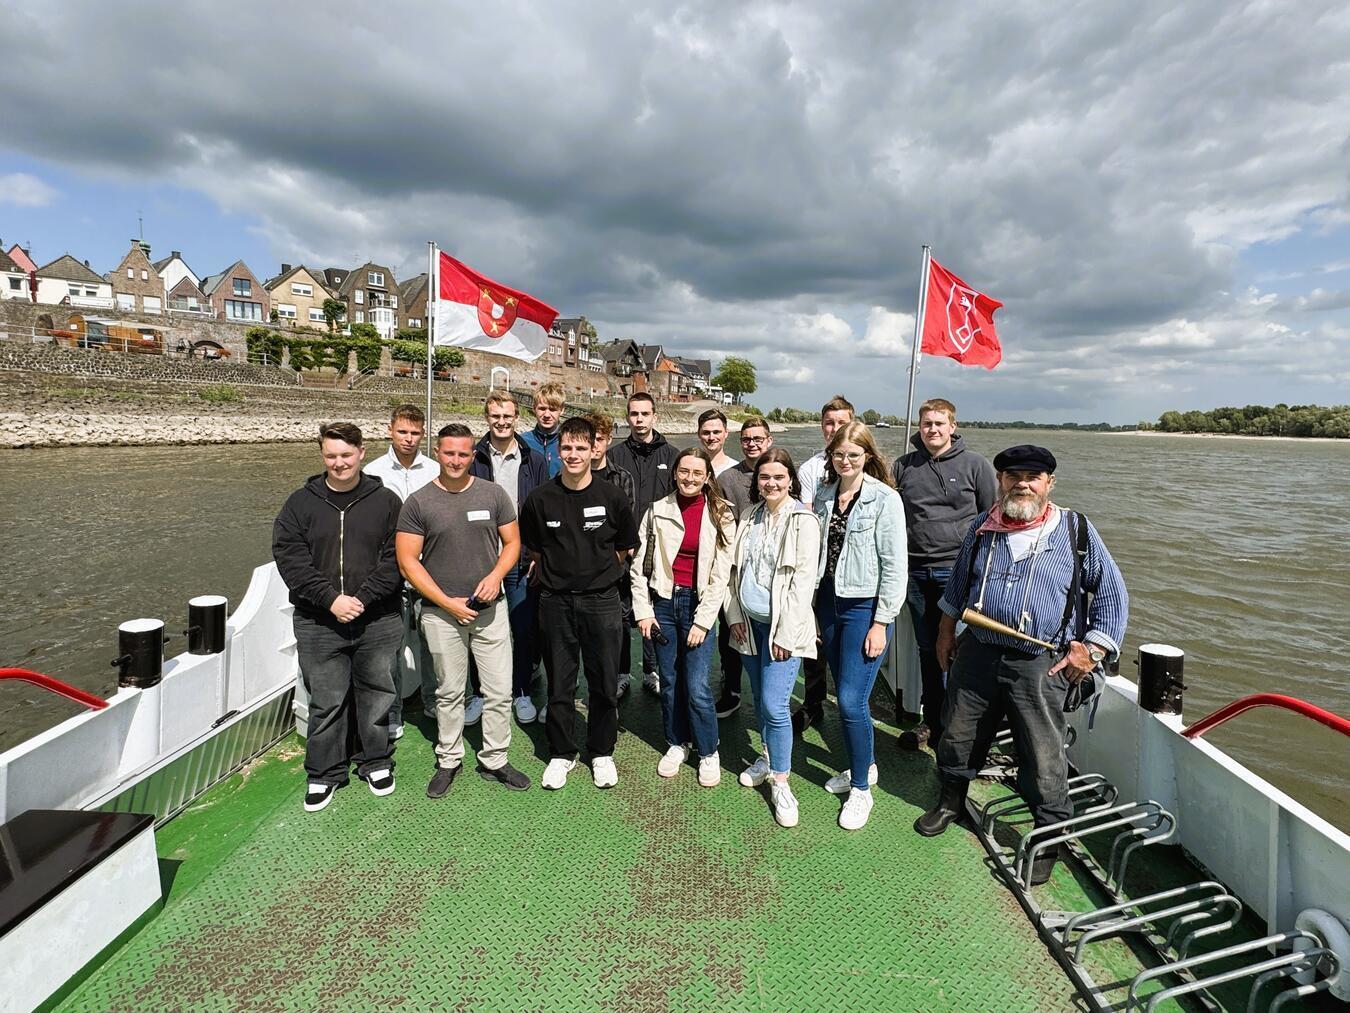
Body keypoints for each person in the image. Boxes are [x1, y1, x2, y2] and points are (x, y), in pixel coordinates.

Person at [914, 445, 1128, 884]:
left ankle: (1048, 835)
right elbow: (958, 586)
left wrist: (1091, 650)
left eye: (1034, 477)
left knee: (1042, 751)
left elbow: (1112, 595)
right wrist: (944, 632)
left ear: (1049, 483)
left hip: (1041, 660)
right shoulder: (982, 528)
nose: (1023, 484)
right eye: (1013, 475)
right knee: (958, 730)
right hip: (979, 650)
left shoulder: (1075, 531)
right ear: (1000, 480)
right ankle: (951, 800)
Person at [273, 422, 403, 813]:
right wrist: (330, 599)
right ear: (321, 455)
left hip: (376, 616)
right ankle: (325, 772)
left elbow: (396, 558)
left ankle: (375, 760)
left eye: (346, 455)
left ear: (362, 452)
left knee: (378, 691)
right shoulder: (300, 503)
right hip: (319, 620)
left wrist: (361, 598)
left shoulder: (386, 501)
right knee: (326, 699)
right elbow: (290, 558)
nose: (339, 463)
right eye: (331, 455)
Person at [396, 424, 530, 797]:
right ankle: (449, 759)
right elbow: (408, 562)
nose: (456, 460)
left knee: (499, 690)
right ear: (437, 453)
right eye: (449, 453)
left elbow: (513, 542)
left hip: (490, 610)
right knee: (450, 691)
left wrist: (497, 575)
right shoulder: (419, 503)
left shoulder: (493, 494)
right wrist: (444, 601)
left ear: (474, 456)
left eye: (464, 454)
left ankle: (495, 758)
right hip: (442, 614)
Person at [519, 416, 640, 791]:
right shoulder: (541, 499)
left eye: (580, 448)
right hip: (555, 603)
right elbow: (534, 548)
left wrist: (596, 574)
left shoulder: (612, 496)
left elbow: (626, 546)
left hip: (602, 602)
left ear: (594, 449)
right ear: (558, 450)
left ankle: (601, 751)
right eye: (566, 448)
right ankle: (561, 753)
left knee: (603, 682)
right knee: (560, 682)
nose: (573, 454)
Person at [812, 420, 907, 830]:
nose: (846, 461)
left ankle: (863, 791)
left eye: (854, 454)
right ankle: (860, 767)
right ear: (831, 457)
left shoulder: (885, 499)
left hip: (864, 607)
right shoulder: (823, 495)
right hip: (828, 602)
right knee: (843, 692)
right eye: (839, 454)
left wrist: (881, 622)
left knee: (851, 700)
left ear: (868, 456)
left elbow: (895, 566)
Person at [891, 398, 996, 751]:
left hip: (959, 573)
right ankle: (933, 723)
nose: (932, 429)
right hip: (916, 572)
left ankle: (961, 726)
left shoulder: (975, 466)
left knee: (959, 652)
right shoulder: (904, 467)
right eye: (926, 424)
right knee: (927, 651)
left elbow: (990, 517)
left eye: (939, 423)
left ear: (952, 426)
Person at [724, 449, 821, 828]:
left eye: (779, 477)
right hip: (749, 625)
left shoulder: (803, 521)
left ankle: (781, 781)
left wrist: (784, 632)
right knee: (761, 701)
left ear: (791, 480)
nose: (771, 483)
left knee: (775, 705)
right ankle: (766, 756)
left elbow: (803, 584)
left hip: (783, 629)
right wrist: (734, 617)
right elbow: (734, 571)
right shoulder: (750, 516)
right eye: (765, 477)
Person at [631, 448, 736, 786]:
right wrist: (643, 611)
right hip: (663, 601)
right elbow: (638, 568)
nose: (690, 478)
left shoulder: (720, 514)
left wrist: (704, 621)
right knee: (670, 681)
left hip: (697, 604)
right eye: (684, 471)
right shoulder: (657, 511)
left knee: (698, 685)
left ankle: (708, 750)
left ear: (707, 477)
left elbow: (721, 575)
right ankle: (677, 742)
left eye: (697, 473)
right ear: (675, 473)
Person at [468, 392, 550, 724]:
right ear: (487, 418)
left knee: (523, 628)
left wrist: (538, 554)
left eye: (508, 416)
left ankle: (521, 692)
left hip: (520, 557)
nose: (502, 422)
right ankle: (479, 694)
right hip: (482, 558)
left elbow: (543, 510)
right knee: (478, 627)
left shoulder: (534, 459)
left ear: (517, 418)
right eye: (495, 416)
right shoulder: (475, 457)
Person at [364, 404, 438, 742]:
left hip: (429, 570)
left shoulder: (435, 470)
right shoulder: (373, 472)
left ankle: (433, 703)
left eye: (415, 433)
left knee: (432, 641)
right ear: (390, 430)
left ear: (423, 434)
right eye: (402, 432)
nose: (408, 439)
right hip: (390, 572)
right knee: (389, 646)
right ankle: (391, 712)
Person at [607, 391, 680, 693]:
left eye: (644, 414)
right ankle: (623, 672)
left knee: (654, 609)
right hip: (623, 548)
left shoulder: (672, 455)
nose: (639, 420)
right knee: (622, 613)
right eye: (634, 414)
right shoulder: (615, 455)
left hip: (659, 548)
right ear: (627, 417)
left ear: (654, 416)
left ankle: (652, 670)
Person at [792, 394, 855, 735]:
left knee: (848, 641)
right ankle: (813, 702)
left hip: (855, 571)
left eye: (841, 422)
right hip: (818, 568)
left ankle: (849, 704)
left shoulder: (866, 465)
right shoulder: (811, 469)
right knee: (814, 641)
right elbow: (805, 516)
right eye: (829, 423)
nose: (834, 429)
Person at [712, 417, 774, 716]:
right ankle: (733, 688)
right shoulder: (727, 479)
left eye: (758, 439)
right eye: (747, 439)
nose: (752, 444)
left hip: (770, 569)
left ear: (769, 440)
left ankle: (773, 694)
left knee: (771, 632)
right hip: (736, 567)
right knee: (731, 631)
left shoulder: (780, 472)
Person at [586, 412, 637, 698]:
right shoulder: (568, 476)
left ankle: (622, 673)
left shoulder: (622, 478)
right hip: (580, 567)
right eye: (589, 439)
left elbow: (624, 525)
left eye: (600, 439)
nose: (594, 445)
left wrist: (613, 561)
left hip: (614, 565)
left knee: (619, 621)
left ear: (608, 441)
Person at [520, 381, 565, 478]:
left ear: (562, 410)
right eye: (542, 409)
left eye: (552, 409)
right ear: (534, 408)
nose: (547, 415)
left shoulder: (570, 444)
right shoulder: (522, 442)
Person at [696, 408, 737, 476]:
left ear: (726, 433)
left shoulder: (736, 469)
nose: (711, 437)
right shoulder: (689, 466)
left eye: (716, 432)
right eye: (706, 433)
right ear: (699, 434)